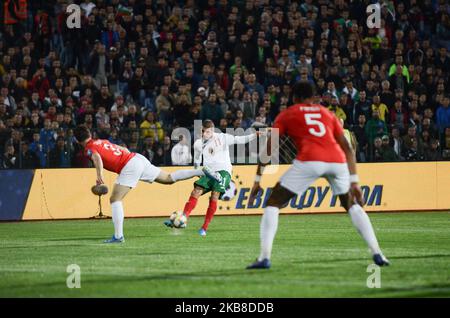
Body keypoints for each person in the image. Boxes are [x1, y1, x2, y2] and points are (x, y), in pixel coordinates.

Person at [246, 81, 389, 269]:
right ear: (313, 97)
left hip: (310, 160)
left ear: (294, 97)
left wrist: (257, 180)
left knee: (273, 203)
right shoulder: (327, 113)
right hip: (337, 162)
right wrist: (355, 182)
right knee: (352, 205)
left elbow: (269, 149)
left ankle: (264, 257)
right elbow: (348, 149)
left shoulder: (287, 114)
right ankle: (378, 253)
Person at [73, 125, 204, 243]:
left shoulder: (89, 148)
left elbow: (96, 158)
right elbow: (123, 148)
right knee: (168, 178)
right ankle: (200, 171)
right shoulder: (102, 141)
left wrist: (99, 175)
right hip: (137, 158)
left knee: (115, 199)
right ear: (89, 134)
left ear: (77, 140)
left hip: (129, 165)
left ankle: (118, 237)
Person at [164, 119, 261, 236]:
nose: (205, 133)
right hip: (208, 172)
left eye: (208, 131)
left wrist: (254, 135)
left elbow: (239, 140)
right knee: (195, 192)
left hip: (224, 171)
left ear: (212, 130)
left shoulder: (223, 137)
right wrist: (196, 169)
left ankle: (204, 228)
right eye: (203, 131)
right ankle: (183, 218)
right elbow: (197, 158)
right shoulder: (198, 144)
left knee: (214, 195)